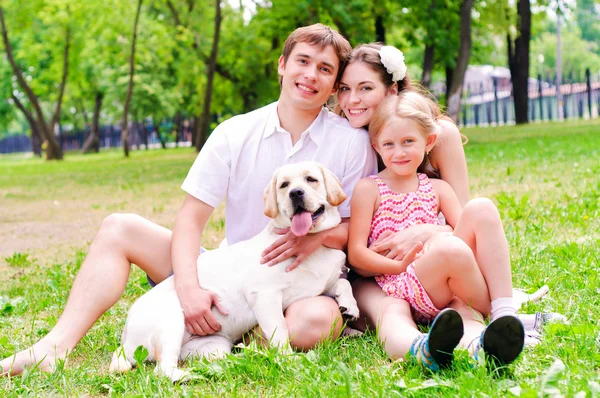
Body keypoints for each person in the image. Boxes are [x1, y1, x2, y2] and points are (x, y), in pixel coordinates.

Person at [1, 23, 391, 376]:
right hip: (223, 273)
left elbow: (354, 229)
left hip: (303, 281)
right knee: (119, 227)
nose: (310, 75)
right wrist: (189, 289)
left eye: (324, 69)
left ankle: (232, 338)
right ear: (282, 65)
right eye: (302, 61)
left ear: (333, 81)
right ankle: (54, 347)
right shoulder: (234, 132)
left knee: (315, 324)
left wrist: (314, 238)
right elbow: (190, 219)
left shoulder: (350, 142)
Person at [347, 91, 525, 370]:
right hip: (394, 285)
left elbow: (462, 233)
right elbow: (356, 253)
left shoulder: (438, 188)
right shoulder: (369, 189)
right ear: (376, 146)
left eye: (408, 142)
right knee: (393, 314)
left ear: (428, 142)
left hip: (441, 280)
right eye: (389, 144)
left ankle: (494, 328)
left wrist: (434, 237)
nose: (400, 152)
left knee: (481, 208)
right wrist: (396, 266)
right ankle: (422, 349)